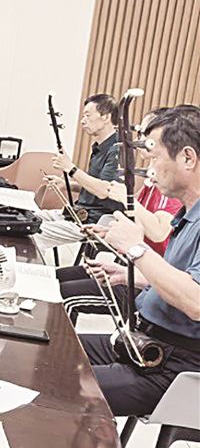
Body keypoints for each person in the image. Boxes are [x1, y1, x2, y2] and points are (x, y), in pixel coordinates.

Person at [76, 104, 200, 418]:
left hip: (174, 369)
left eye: (155, 157)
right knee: (54, 351)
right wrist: (132, 274)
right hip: (144, 346)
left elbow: (197, 302)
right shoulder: (187, 215)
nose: (150, 167)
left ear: (188, 158)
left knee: (61, 382)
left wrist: (136, 249)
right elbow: (184, 278)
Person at [58, 109, 184, 323]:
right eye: (140, 132)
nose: (140, 139)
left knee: (63, 294)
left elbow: (159, 232)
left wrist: (126, 197)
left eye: (146, 134)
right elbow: (140, 224)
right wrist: (109, 232)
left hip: (144, 280)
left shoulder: (169, 187)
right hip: (128, 265)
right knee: (58, 278)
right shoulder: (150, 181)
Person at [38, 94, 123, 249]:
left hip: (93, 222)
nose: (83, 121)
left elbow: (105, 191)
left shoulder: (117, 149)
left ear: (106, 117)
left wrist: (70, 168)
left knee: (32, 231)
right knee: (28, 218)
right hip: (75, 214)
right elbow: (92, 187)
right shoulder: (99, 147)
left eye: (87, 115)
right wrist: (66, 184)